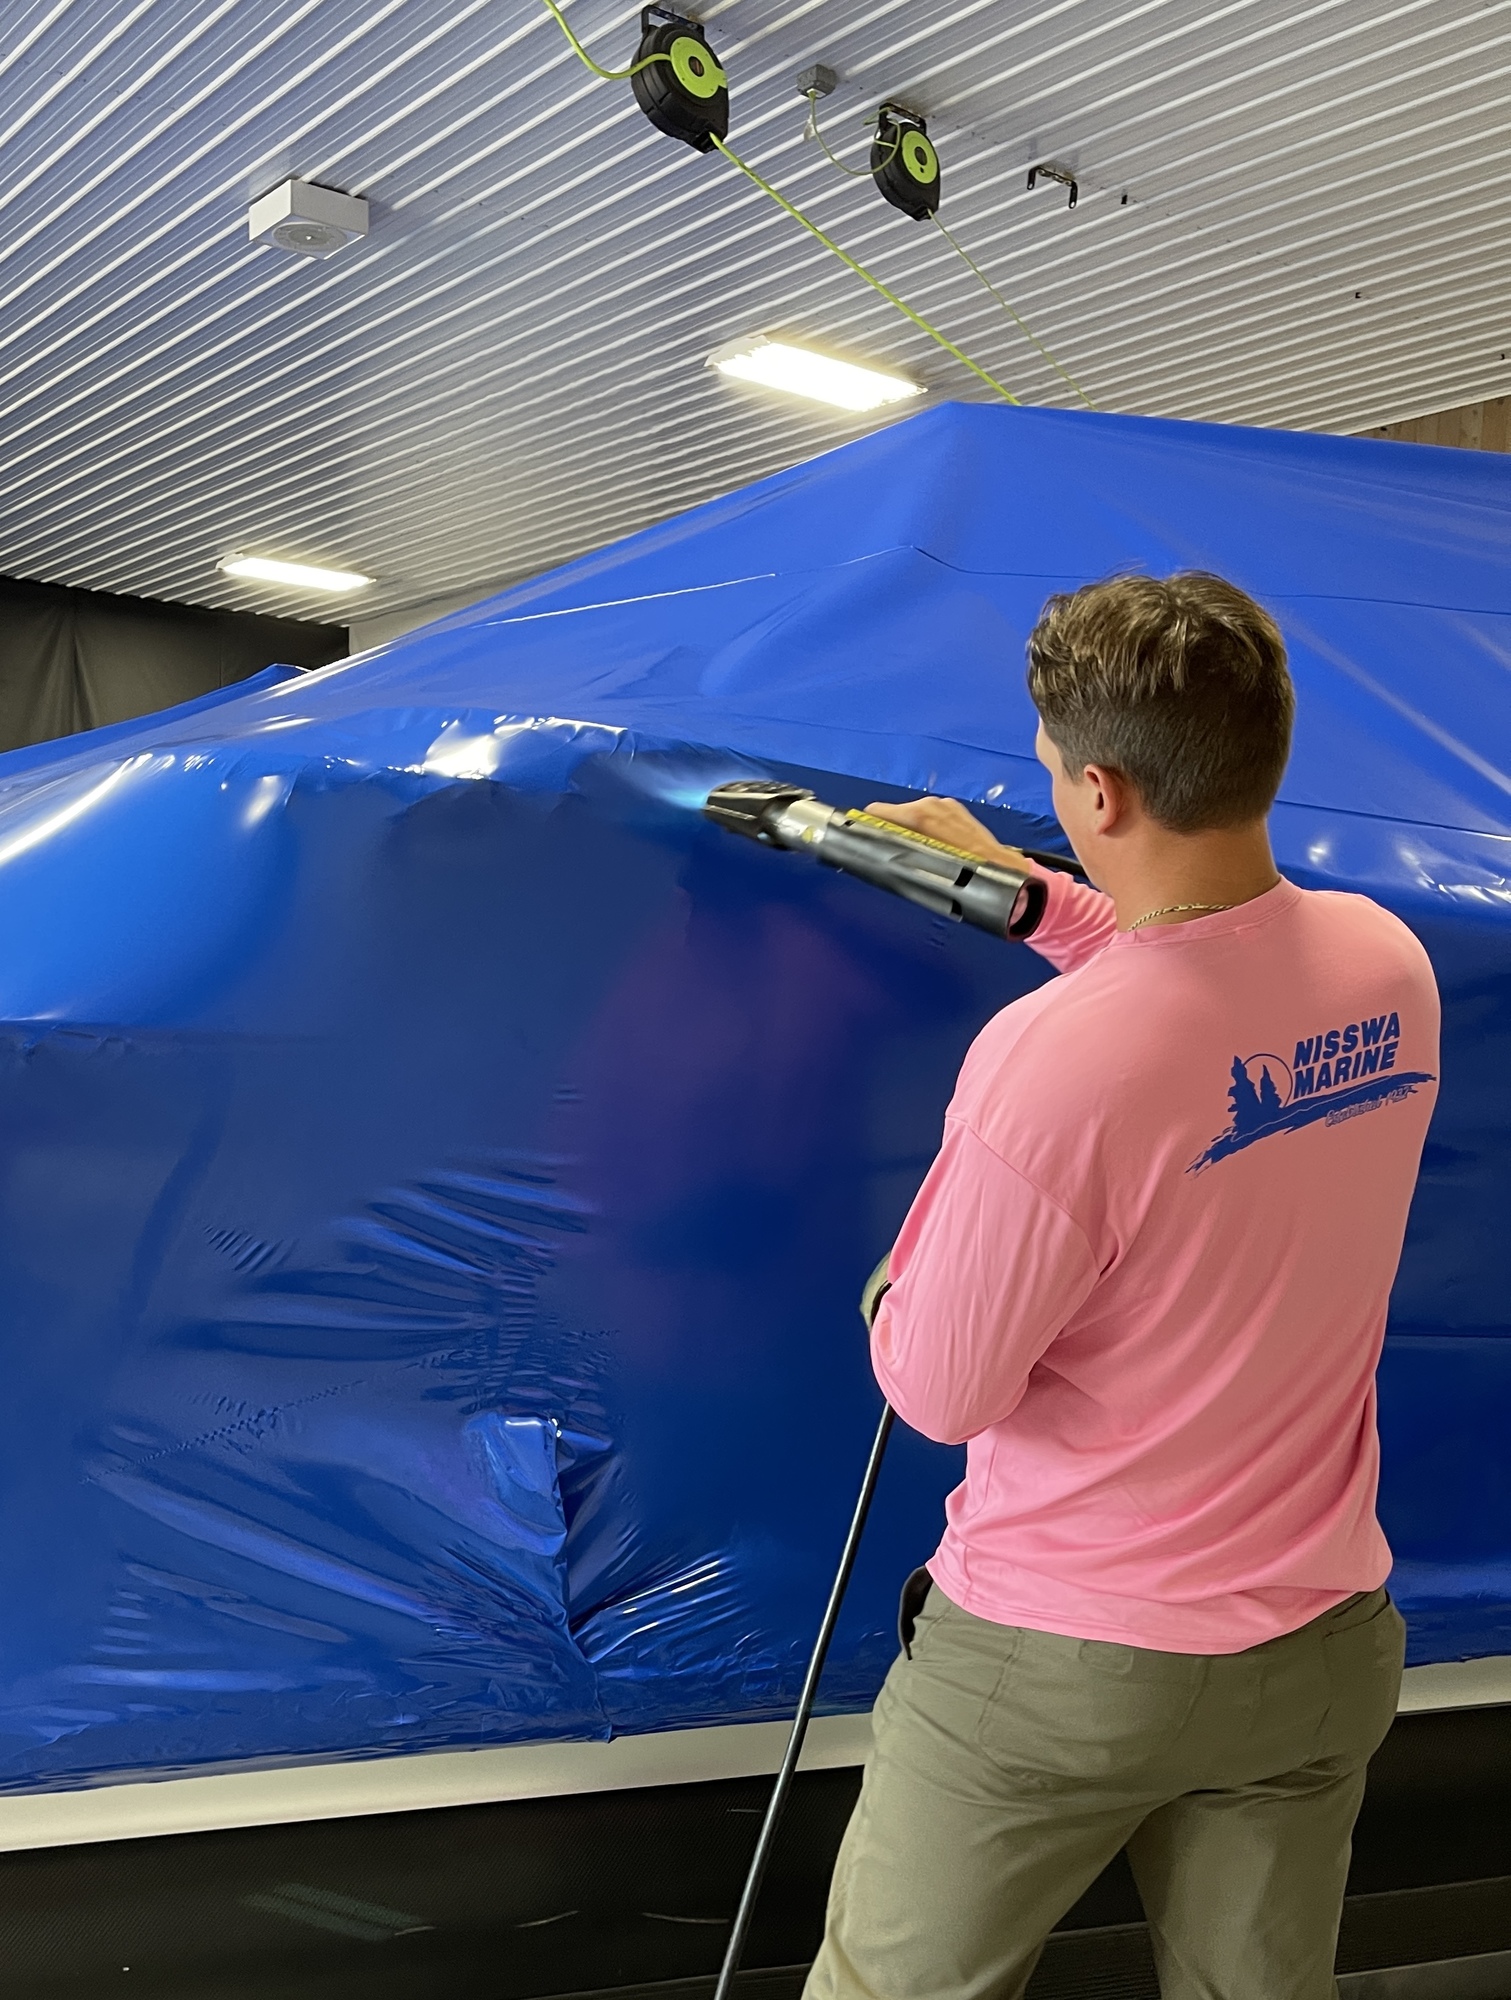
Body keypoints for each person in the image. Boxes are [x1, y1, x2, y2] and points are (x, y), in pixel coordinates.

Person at [803, 572, 1440, 2000]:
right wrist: (1026, 894)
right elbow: (1203, 984)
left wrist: (905, 1277)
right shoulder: (1386, 969)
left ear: (1099, 790)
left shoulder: (1052, 1064)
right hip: (1318, 1653)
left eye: (1050, 775)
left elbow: (940, 1389)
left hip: (1058, 1669)